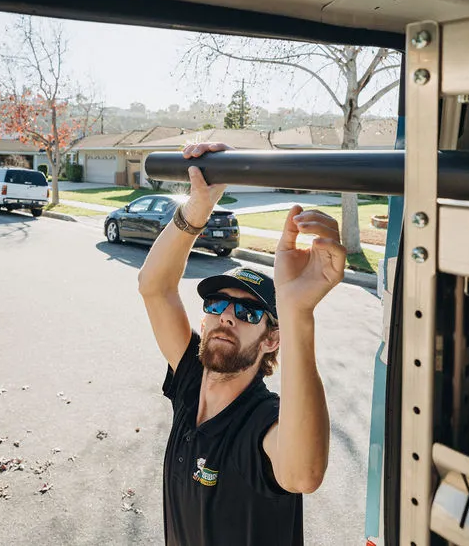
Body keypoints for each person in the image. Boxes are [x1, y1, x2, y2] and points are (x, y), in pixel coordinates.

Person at [137, 142, 347, 546]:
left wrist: (297, 311)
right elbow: (154, 286)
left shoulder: (262, 422)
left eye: (248, 313)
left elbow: (302, 474)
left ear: (272, 340)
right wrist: (199, 206)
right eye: (217, 305)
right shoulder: (190, 382)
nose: (227, 316)